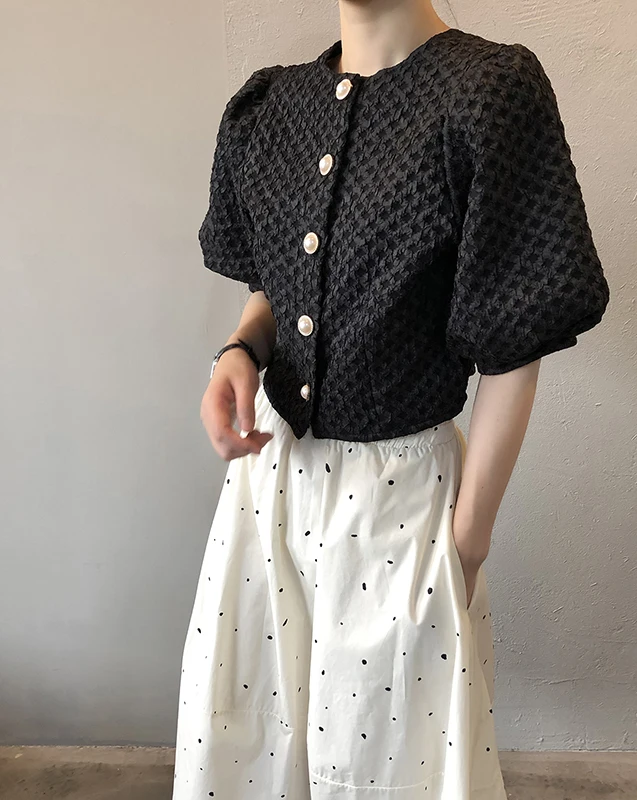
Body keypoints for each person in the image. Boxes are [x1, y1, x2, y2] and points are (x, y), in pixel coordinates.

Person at [172, 0, 610, 797]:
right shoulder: (269, 107)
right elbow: (275, 284)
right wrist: (240, 350)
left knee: (391, 762)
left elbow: (515, 339)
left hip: (401, 501)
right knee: (253, 744)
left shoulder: (487, 92)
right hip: (267, 489)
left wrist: (466, 543)